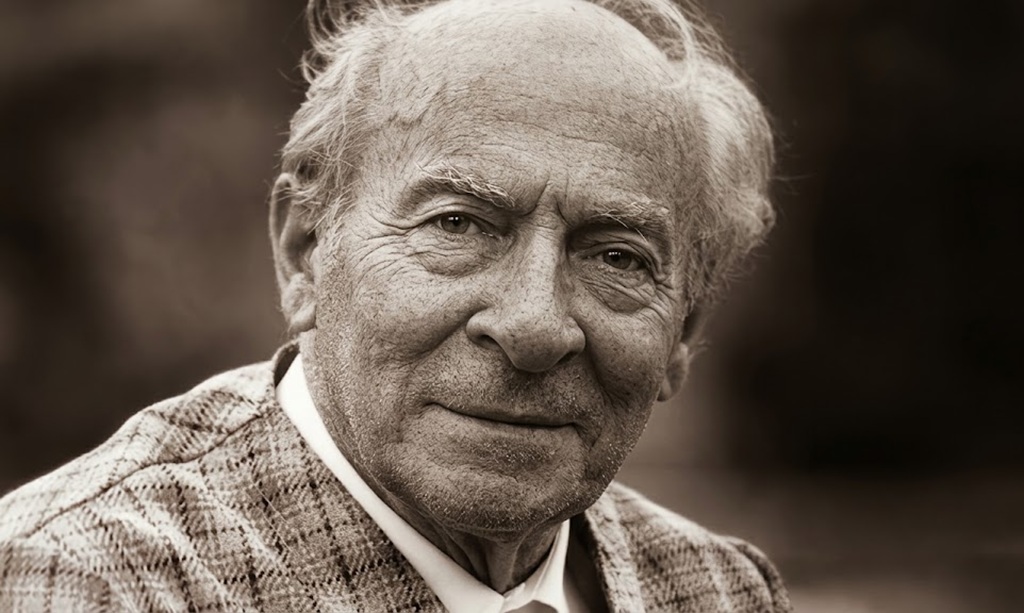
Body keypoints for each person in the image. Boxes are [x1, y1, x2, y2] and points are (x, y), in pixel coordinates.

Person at [0, 0, 790, 610]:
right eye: (458, 225)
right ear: (305, 251)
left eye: (617, 257)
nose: (534, 325)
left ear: (684, 329)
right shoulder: (87, 580)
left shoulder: (717, 590)